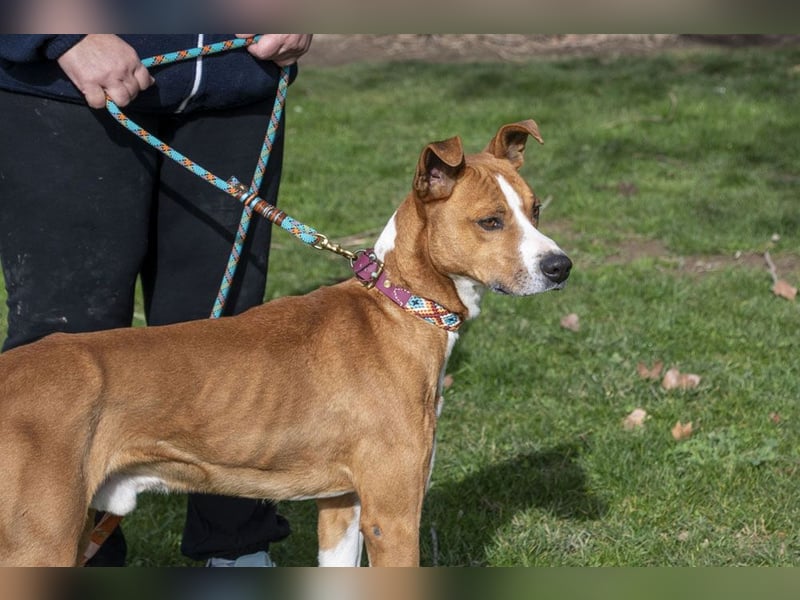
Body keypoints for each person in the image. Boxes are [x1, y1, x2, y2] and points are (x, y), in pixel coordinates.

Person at [0, 33, 313, 567]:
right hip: (65, 86)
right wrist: (59, 36)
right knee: (64, 348)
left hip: (237, 83)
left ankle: (237, 553)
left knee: (235, 350)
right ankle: (67, 557)